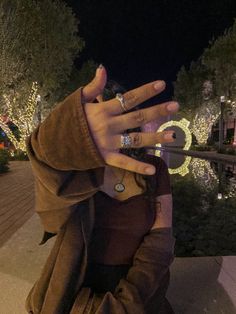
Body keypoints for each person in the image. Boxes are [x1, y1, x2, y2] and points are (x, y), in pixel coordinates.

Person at [25, 65, 179, 314]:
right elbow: (46, 174)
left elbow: (160, 243)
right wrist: (67, 136)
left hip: (142, 288)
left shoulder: (154, 169)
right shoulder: (74, 174)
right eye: (89, 116)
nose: (101, 122)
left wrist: (127, 303)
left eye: (108, 110)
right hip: (75, 286)